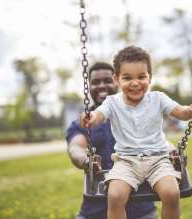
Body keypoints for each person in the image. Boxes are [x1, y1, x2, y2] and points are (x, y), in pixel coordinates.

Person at [80, 46, 192, 219]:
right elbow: (98, 115)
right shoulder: (112, 102)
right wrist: (90, 117)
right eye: (127, 77)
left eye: (141, 77)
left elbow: (179, 112)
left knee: (171, 193)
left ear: (150, 77)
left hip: (158, 159)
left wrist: (190, 112)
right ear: (117, 79)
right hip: (126, 162)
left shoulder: (158, 98)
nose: (135, 82)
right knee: (115, 196)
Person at [66, 62, 157, 219]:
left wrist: (172, 153)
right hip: (95, 208)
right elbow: (76, 148)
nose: (101, 86)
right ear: (89, 86)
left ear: (117, 81)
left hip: (140, 208)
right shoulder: (81, 123)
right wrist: (85, 160)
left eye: (107, 80)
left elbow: (158, 142)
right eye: (95, 82)